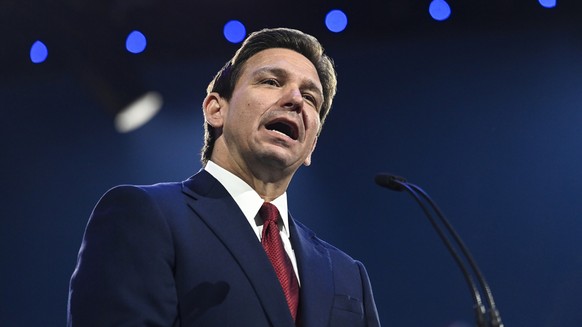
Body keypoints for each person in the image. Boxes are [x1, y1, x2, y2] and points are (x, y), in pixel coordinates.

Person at [68, 27, 381, 327]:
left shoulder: (346, 272)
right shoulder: (145, 215)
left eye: (311, 98)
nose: (296, 100)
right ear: (216, 109)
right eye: (272, 81)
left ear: (311, 145)